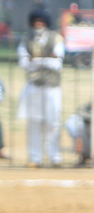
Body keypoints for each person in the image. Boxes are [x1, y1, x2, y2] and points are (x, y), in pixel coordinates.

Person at [16, 9, 65, 167]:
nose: (38, 24)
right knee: (34, 123)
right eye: (36, 21)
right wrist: (46, 59)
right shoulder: (26, 40)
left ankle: (54, 157)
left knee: (53, 122)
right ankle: (35, 158)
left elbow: (57, 64)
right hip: (34, 86)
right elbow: (24, 64)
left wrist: (36, 60)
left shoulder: (56, 38)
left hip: (52, 87)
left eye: (41, 21)